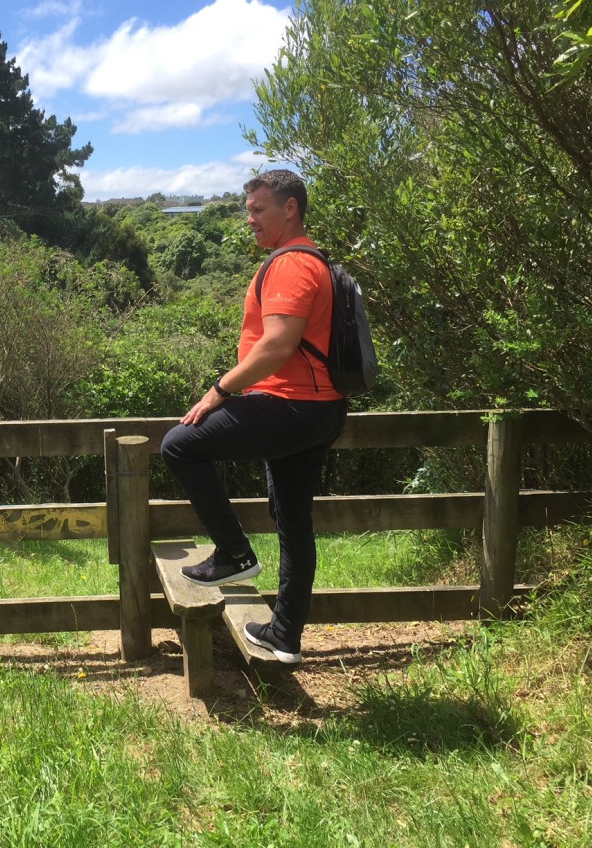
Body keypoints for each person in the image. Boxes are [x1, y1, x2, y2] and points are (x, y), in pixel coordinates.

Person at [160, 169, 348, 663]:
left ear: (290, 209)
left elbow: (277, 345)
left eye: (259, 210)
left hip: (291, 403)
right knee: (292, 518)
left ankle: (234, 554)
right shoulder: (314, 261)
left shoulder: (291, 264)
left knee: (179, 445)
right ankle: (284, 636)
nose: (250, 220)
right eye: (248, 210)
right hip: (321, 409)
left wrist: (219, 391)